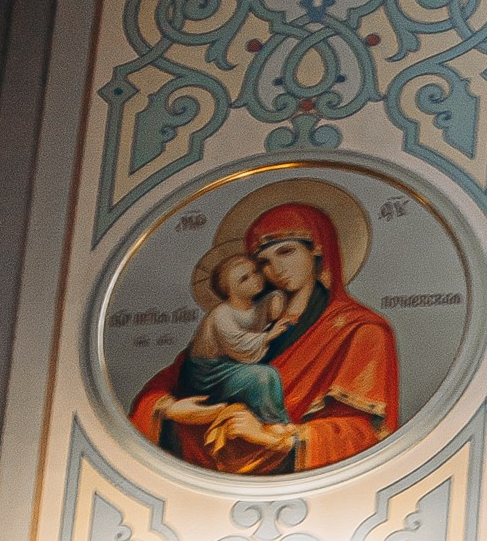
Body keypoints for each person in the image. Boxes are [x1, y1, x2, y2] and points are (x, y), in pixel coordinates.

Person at [130, 196, 399, 473]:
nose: (276, 270)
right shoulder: (247, 320)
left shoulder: (361, 330)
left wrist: (273, 437)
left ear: (317, 248)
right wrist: (169, 410)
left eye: (286, 252)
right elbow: (170, 383)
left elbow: (365, 435)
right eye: (264, 262)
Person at [142, 247, 287, 438]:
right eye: (245, 278)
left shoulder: (251, 305)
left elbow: (260, 312)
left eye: (255, 272)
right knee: (263, 377)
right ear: (230, 290)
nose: (256, 279)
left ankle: (274, 421)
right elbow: (238, 345)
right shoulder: (221, 315)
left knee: (267, 376)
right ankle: (273, 422)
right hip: (208, 374)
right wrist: (269, 336)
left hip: (229, 366)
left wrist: (276, 298)